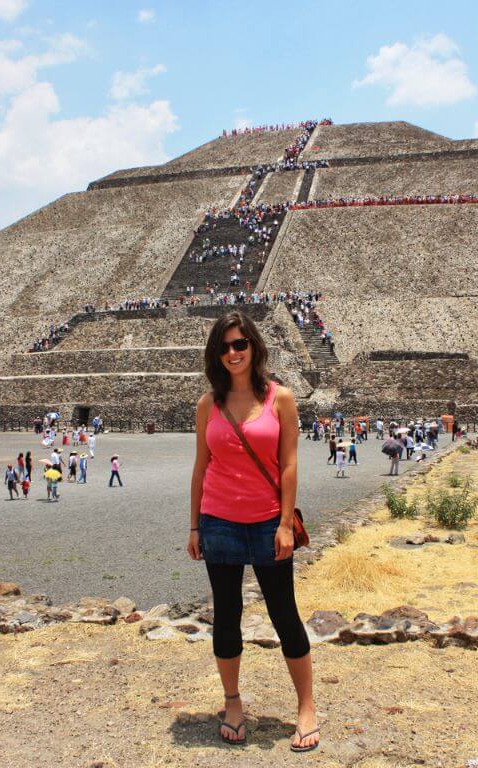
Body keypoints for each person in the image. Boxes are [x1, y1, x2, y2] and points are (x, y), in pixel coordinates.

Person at [187, 310, 318, 752]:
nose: (232, 353)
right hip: (219, 521)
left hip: (267, 523)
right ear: (215, 354)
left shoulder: (281, 398)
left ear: (254, 347)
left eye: (240, 344)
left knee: (284, 613)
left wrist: (284, 523)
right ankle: (233, 702)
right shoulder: (209, 404)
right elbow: (201, 468)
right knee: (227, 616)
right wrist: (193, 526)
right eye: (224, 346)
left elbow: (289, 464)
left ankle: (306, 708)